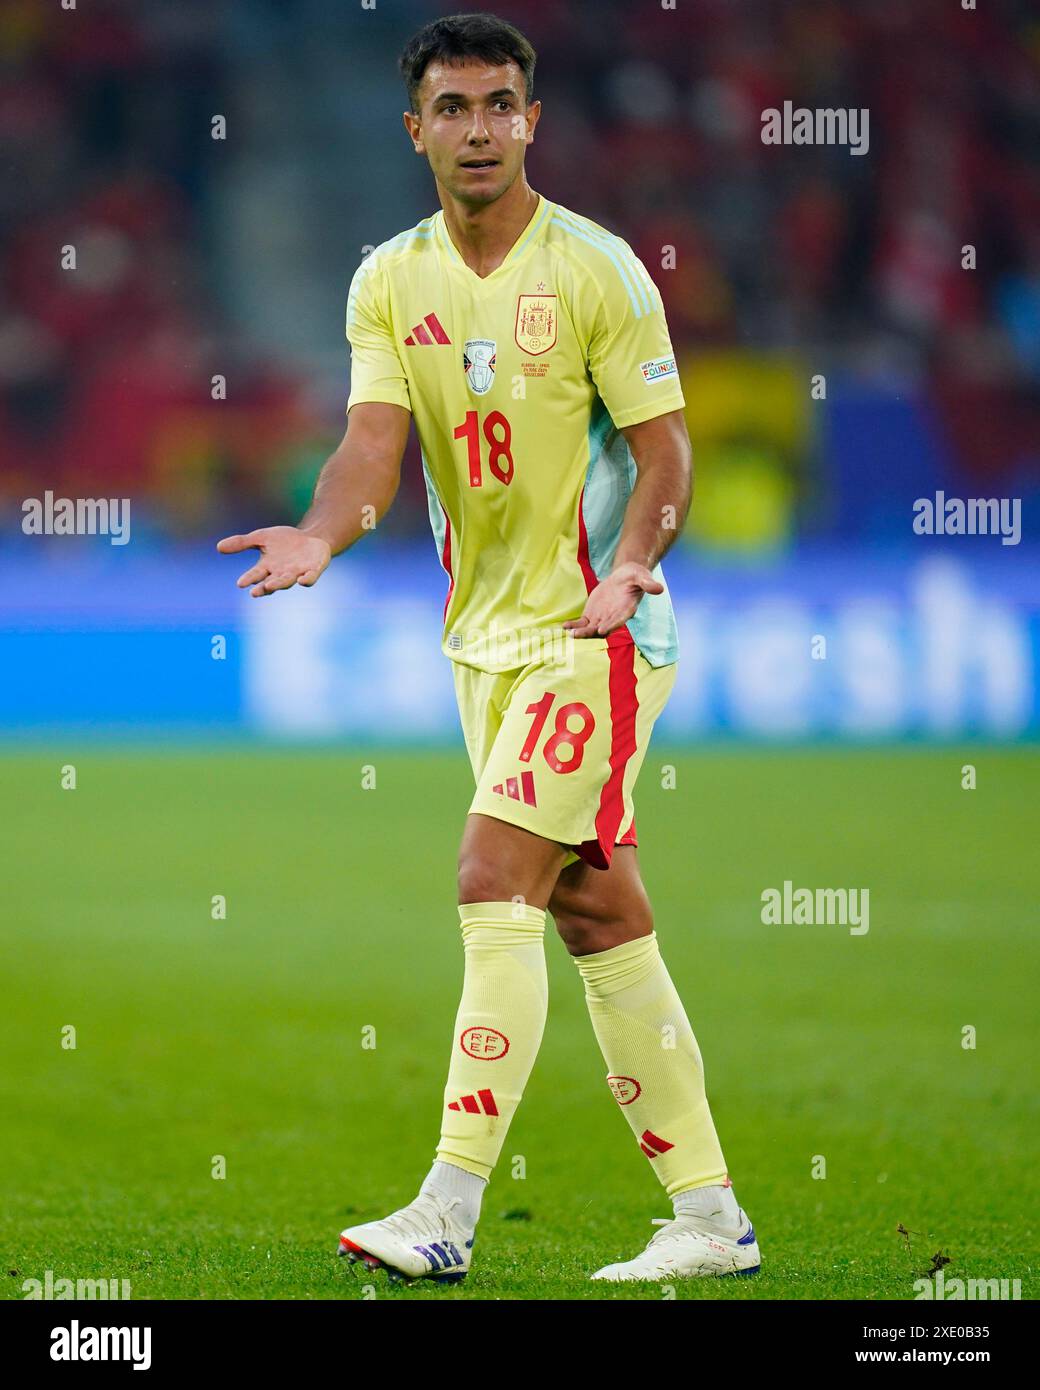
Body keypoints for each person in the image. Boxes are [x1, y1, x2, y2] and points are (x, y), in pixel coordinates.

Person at [217, 12, 759, 1285]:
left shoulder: (597, 269)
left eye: (499, 104)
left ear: (532, 120)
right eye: (452, 107)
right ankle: (709, 1217)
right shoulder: (385, 279)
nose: (478, 128)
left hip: (598, 626)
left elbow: (668, 450)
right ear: (414, 129)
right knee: (596, 913)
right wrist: (319, 533)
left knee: (489, 876)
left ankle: (445, 1209)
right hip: (482, 642)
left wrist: (632, 566)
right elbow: (368, 449)